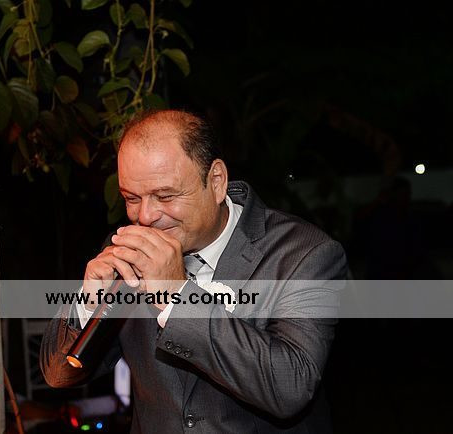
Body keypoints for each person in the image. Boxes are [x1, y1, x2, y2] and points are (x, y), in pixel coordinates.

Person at [40, 110, 347, 433]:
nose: (146, 216)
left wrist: (177, 296)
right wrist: (88, 305)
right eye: (131, 198)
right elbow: (59, 375)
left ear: (216, 181)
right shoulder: (128, 251)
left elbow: (290, 387)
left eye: (165, 196)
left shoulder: (303, 253)